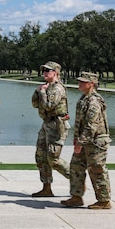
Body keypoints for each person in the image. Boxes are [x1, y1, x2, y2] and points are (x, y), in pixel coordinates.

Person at [61, 72, 112, 209]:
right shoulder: (84, 99)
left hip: (96, 142)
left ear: (91, 84)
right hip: (85, 140)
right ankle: (76, 197)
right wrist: (76, 138)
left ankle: (104, 200)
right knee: (76, 167)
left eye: (83, 82)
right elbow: (80, 123)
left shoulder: (94, 101)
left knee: (97, 169)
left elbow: (91, 125)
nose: (80, 83)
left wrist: (80, 142)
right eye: (80, 81)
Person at [31, 61, 70, 197]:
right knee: (41, 156)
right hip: (46, 124)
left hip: (56, 125)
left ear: (55, 73)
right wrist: (38, 91)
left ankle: (76, 178)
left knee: (53, 158)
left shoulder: (58, 89)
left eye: (48, 71)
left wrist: (41, 92)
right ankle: (46, 187)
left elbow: (49, 105)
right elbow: (35, 104)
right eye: (44, 71)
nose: (45, 73)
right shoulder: (46, 87)